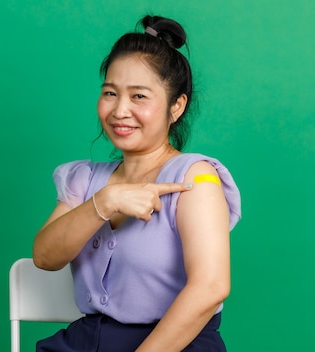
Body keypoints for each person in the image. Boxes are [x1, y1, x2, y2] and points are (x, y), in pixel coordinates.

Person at [32, 15, 242, 352]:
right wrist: (105, 201)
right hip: (87, 340)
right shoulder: (86, 179)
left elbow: (211, 286)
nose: (120, 110)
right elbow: (45, 257)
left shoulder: (197, 178)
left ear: (177, 106)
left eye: (139, 96)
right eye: (110, 93)